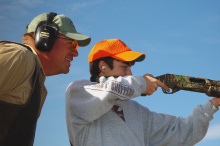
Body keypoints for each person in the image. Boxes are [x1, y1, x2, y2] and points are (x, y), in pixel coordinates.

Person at [65, 38, 220, 146]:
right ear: (103, 67)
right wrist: (142, 83)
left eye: (131, 68)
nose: (130, 74)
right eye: (124, 67)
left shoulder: (137, 112)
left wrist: (211, 106)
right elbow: (110, 89)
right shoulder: (79, 92)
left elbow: (181, 133)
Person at [0, 12, 91, 146]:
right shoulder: (20, 57)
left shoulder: (38, 84)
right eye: (72, 44)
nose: (75, 53)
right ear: (45, 37)